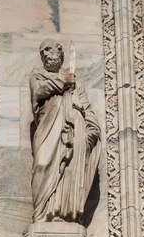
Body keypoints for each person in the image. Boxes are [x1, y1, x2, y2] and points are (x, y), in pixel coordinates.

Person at [29, 39, 101, 223]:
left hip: (73, 132)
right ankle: (41, 215)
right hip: (48, 131)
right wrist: (63, 81)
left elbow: (87, 110)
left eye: (47, 49)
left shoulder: (78, 85)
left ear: (59, 52)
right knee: (43, 164)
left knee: (68, 172)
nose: (45, 54)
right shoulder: (38, 77)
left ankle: (63, 213)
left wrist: (90, 133)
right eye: (41, 52)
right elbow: (39, 91)